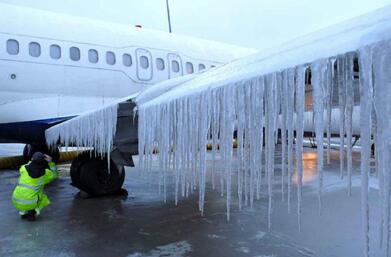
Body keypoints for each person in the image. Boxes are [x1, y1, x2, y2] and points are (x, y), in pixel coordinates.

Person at [12, 152, 58, 221]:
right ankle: (32, 212)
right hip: (30, 202)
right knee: (42, 196)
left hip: (15, 199)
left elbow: (28, 164)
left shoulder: (23, 168)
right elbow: (55, 175)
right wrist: (51, 162)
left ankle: (23, 212)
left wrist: (34, 159)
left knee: (27, 192)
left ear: (32, 159)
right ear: (43, 161)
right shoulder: (45, 173)